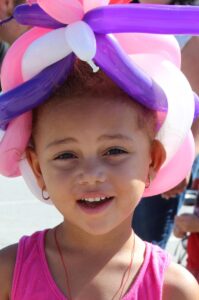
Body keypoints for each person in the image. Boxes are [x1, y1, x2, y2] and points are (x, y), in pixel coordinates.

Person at [0, 2, 199, 300]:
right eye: (66, 155)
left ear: (153, 160)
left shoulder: (174, 290)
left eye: (114, 150)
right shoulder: (7, 273)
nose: (90, 174)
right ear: (38, 168)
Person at [132, 0, 199, 249]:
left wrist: (181, 164)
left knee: (146, 243)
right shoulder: (119, 12)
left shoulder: (190, 26)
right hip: (113, 144)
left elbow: (195, 110)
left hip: (163, 154)